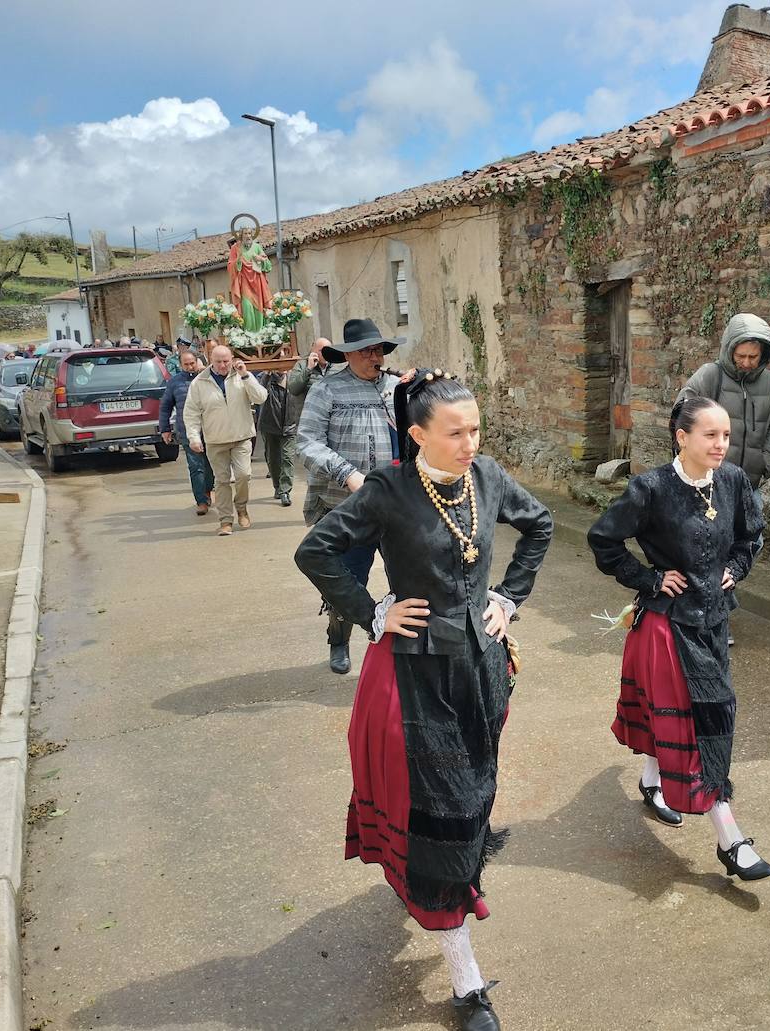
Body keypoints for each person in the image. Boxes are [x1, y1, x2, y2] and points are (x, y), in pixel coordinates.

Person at [295, 370, 552, 1031]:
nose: (471, 442)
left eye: (475, 428)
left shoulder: (487, 476)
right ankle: (466, 980)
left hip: (481, 668)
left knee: (473, 795)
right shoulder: (388, 489)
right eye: (455, 431)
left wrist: (508, 598)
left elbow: (540, 523)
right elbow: (316, 548)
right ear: (416, 435)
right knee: (442, 810)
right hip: (414, 676)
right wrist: (373, 609)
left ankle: (444, 871)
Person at [587, 396, 770, 881]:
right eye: (710, 435)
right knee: (699, 723)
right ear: (682, 436)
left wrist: (736, 568)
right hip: (666, 628)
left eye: (726, 436)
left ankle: (652, 783)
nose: (721, 444)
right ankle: (730, 839)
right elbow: (603, 539)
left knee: (692, 712)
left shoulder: (732, 480)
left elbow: (751, 535)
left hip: (714, 622)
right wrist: (649, 580)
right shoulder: (649, 488)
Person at [296, 319, 405, 674]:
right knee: (347, 580)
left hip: (397, 506)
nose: (375, 357)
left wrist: (424, 384)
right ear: (348, 355)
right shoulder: (328, 390)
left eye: (379, 350)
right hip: (347, 507)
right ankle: (339, 639)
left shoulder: (397, 387)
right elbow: (307, 442)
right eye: (367, 351)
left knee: (409, 577)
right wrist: (349, 474)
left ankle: (406, 648)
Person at [677, 312, 770, 644]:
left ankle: (714, 607)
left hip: (747, 484)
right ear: (729, 349)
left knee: (748, 545)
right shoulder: (709, 377)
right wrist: (698, 465)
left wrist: (765, 461)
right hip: (708, 484)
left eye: (755, 357)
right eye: (742, 356)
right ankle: (711, 618)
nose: (748, 363)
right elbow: (681, 418)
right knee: (707, 548)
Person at [183, 344, 268, 537]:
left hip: (241, 437)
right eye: (218, 362)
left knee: (244, 475)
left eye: (226, 361)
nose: (223, 365)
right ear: (209, 361)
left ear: (232, 359)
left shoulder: (241, 376)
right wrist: (194, 437)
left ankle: (242, 508)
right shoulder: (199, 382)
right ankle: (226, 521)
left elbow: (261, 397)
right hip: (215, 440)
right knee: (221, 481)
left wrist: (246, 376)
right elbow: (191, 413)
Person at [159, 349, 216, 515]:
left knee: (210, 465)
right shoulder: (174, 382)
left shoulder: (207, 378)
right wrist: (165, 429)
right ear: (180, 364)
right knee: (195, 466)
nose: (190, 367)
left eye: (192, 363)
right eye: (186, 364)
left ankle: (207, 490)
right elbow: (165, 407)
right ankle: (201, 501)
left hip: (211, 429)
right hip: (187, 431)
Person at [256, 368, 302, 507]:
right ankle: (277, 486)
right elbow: (258, 394)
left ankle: (285, 491)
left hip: (290, 424)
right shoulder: (263, 377)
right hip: (269, 424)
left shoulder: (295, 377)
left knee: (288, 457)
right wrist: (266, 374)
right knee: (273, 458)